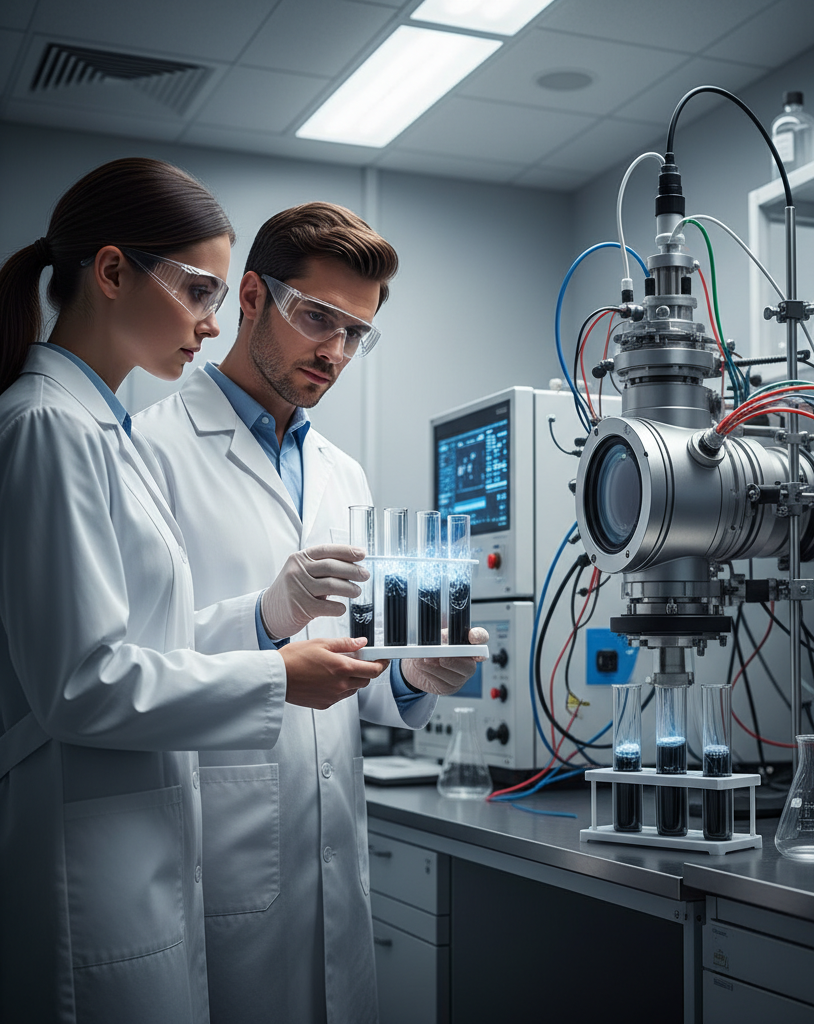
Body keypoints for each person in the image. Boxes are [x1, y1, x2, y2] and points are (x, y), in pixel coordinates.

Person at [0, 161, 389, 1023]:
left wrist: (275, 620)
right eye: (200, 292)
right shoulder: (59, 428)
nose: (209, 326)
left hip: (166, 849)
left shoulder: (97, 427)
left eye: (355, 332)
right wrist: (277, 671)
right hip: (110, 865)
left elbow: (154, 641)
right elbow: (78, 682)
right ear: (110, 273)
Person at [136, 202, 486, 1024]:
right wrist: (261, 619)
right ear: (250, 296)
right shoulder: (149, 448)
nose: (334, 350)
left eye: (355, 333)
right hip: (215, 846)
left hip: (328, 851)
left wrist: (411, 678)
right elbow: (120, 663)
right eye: (317, 316)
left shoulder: (344, 475)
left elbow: (349, 668)